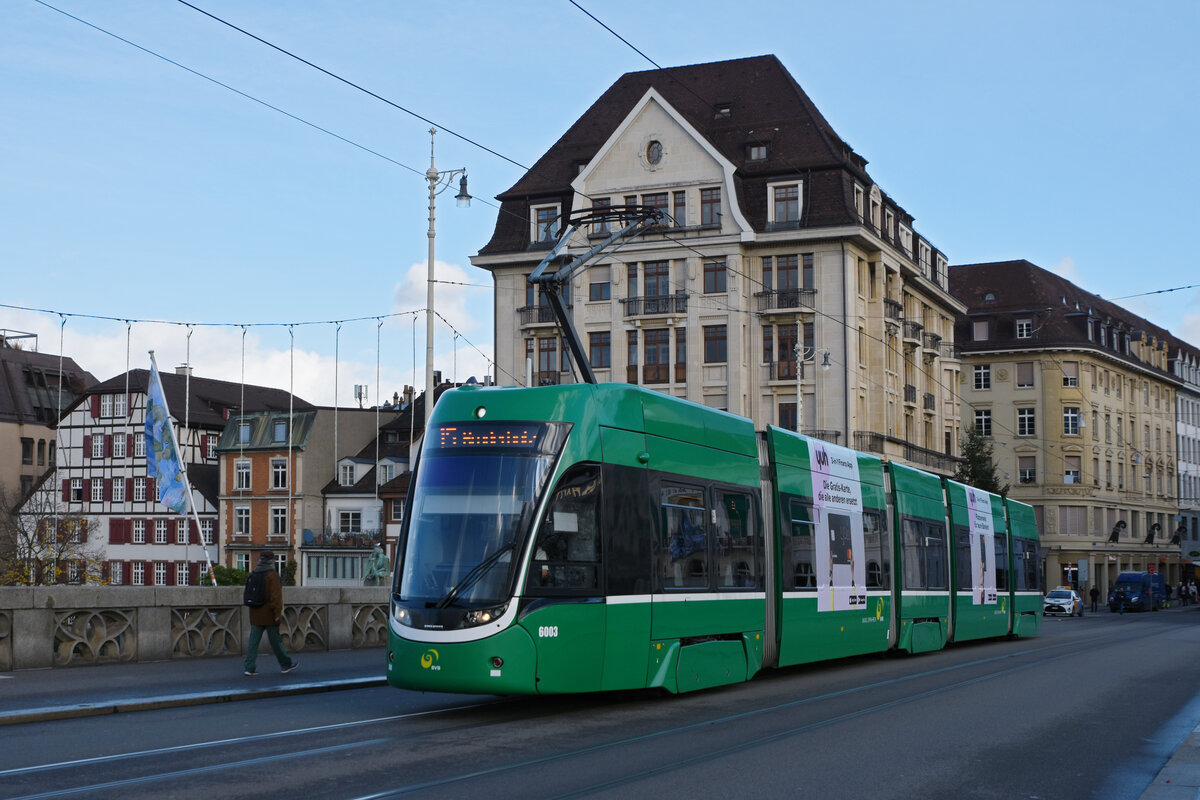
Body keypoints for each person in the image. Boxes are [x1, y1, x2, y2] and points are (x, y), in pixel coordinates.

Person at [244, 550, 298, 676]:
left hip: (255, 612)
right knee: (276, 641)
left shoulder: (254, 573)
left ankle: (249, 667)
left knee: (253, 641)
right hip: (269, 614)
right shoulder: (271, 575)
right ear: (271, 561)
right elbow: (276, 597)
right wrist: (277, 614)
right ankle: (286, 664)